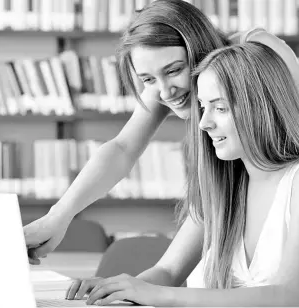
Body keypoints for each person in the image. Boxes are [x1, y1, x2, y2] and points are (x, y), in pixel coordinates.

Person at [24, 0, 299, 264]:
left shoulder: (258, 55)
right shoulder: (165, 82)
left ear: (198, 49)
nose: (165, 92)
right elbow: (122, 149)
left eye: (175, 70)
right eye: (148, 80)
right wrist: (58, 216)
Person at [66, 42, 299, 306]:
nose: (203, 122)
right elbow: (168, 272)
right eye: (202, 106)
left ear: (261, 107)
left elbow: (289, 296)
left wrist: (158, 295)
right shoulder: (223, 186)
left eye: (219, 108)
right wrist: (121, 289)